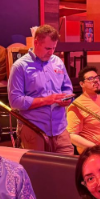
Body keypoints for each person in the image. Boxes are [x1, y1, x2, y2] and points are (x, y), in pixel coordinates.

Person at [8, 24, 75, 154]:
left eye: (54, 48)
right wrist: (46, 100)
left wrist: (67, 99)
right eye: (47, 48)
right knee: (39, 172)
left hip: (60, 129)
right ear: (36, 42)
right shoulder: (20, 67)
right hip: (35, 130)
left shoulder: (58, 62)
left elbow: (67, 88)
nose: (51, 52)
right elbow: (15, 101)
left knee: (68, 170)